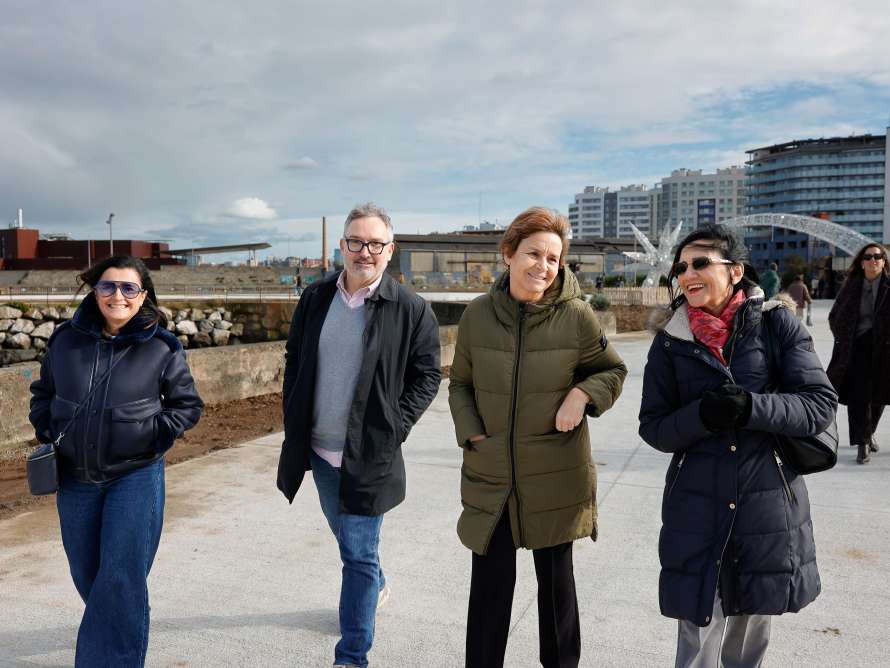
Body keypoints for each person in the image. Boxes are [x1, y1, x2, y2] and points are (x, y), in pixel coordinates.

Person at [638, 225, 837, 668]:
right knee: (697, 629)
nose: (687, 272)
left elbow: (818, 404)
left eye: (701, 262)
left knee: (751, 628)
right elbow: (653, 427)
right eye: (682, 266)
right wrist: (701, 417)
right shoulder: (670, 341)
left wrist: (751, 408)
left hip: (765, 503)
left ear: (735, 271)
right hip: (696, 504)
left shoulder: (775, 323)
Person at [448, 207, 627, 668]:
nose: (543, 267)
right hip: (492, 475)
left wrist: (582, 394)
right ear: (508, 253)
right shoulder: (478, 316)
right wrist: (471, 433)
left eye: (553, 258)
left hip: (555, 478)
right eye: (533, 253)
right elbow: (461, 384)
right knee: (488, 593)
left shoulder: (578, 317)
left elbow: (613, 370)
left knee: (556, 594)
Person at [277, 202, 441, 668]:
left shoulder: (410, 309)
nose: (363, 251)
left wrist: (394, 428)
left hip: (368, 454)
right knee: (348, 540)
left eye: (374, 243)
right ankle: (376, 586)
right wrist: (293, 413)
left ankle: (352, 656)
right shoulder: (315, 298)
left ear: (390, 251)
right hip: (317, 449)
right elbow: (295, 358)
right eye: (355, 241)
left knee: (357, 556)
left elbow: (427, 376)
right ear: (342, 246)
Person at [29, 256, 204, 667]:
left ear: (143, 296)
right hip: (74, 478)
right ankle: (128, 617)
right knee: (88, 574)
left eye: (129, 288)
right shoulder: (64, 340)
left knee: (121, 578)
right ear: (95, 290)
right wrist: (48, 430)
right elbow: (42, 393)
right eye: (108, 286)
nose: (117, 296)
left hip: (135, 476)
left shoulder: (162, 346)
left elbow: (187, 406)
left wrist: (148, 435)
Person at [827, 243, 890, 464]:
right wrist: (843, 338)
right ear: (862, 262)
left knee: (879, 395)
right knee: (858, 397)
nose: (874, 260)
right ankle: (862, 443)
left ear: (884, 262)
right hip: (856, 348)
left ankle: (869, 432)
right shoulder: (851, 287)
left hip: (884, 349)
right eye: (869, 257)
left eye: (878, 257)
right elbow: (835, 316)